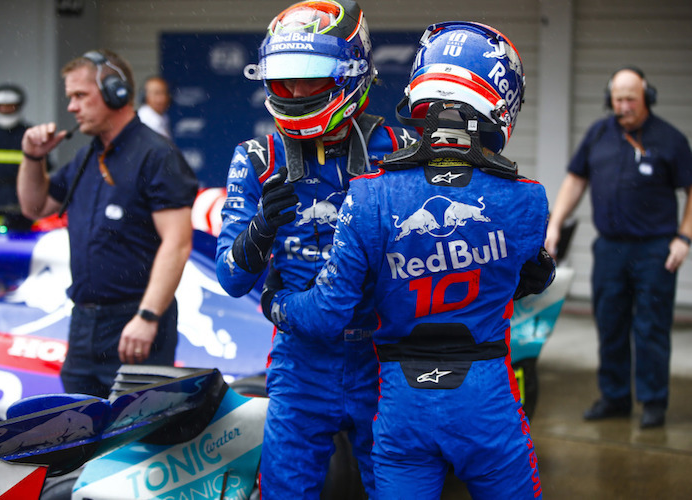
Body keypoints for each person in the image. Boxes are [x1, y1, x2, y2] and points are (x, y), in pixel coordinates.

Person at [260, 22, 554, 499]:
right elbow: (530, 276)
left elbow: (326, 313)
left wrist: (276, 303)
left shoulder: (368, 195)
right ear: (502, 99)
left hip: (401, 406)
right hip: (487, 400)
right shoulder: (528, 200)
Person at [214, 1, 417, 497]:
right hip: (301, 360)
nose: (298, 92)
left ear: (352, 74)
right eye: (285, 79)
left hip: (386, 357)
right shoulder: (257, 158)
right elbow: (231, 277)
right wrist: (260, 231)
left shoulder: (402, 149)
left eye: (312, 78)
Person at [17, 49, 198, 398]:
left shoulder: (157, 155)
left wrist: (147, 317)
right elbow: (35, 205)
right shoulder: (87, 155)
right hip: (84, 324)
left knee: (137, 445)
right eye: (70, 97)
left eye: (80, 96)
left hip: (134, 323)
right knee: (80, 441)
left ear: (116, 92)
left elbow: (177, 243)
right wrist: (32, 158)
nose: (71, 107)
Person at [545, 66, 692, 429]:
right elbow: (576, 180)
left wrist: (684, 238)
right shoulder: (598, 134)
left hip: (655, 250)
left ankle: (653, 401)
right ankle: (615, 397)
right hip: (609, 248)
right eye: (618, 99)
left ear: (648, 98)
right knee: (610, 324)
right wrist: (555, 224)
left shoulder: (671, 139)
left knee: (651, 328)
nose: (624, 106)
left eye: (631, 99)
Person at [0, 83, 49, 232]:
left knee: (26, 236)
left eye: (10, 106)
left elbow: (45, 164)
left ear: (18, 106)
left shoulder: (29, 133)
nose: (6, 109)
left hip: (25, 195)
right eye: (2, 106)